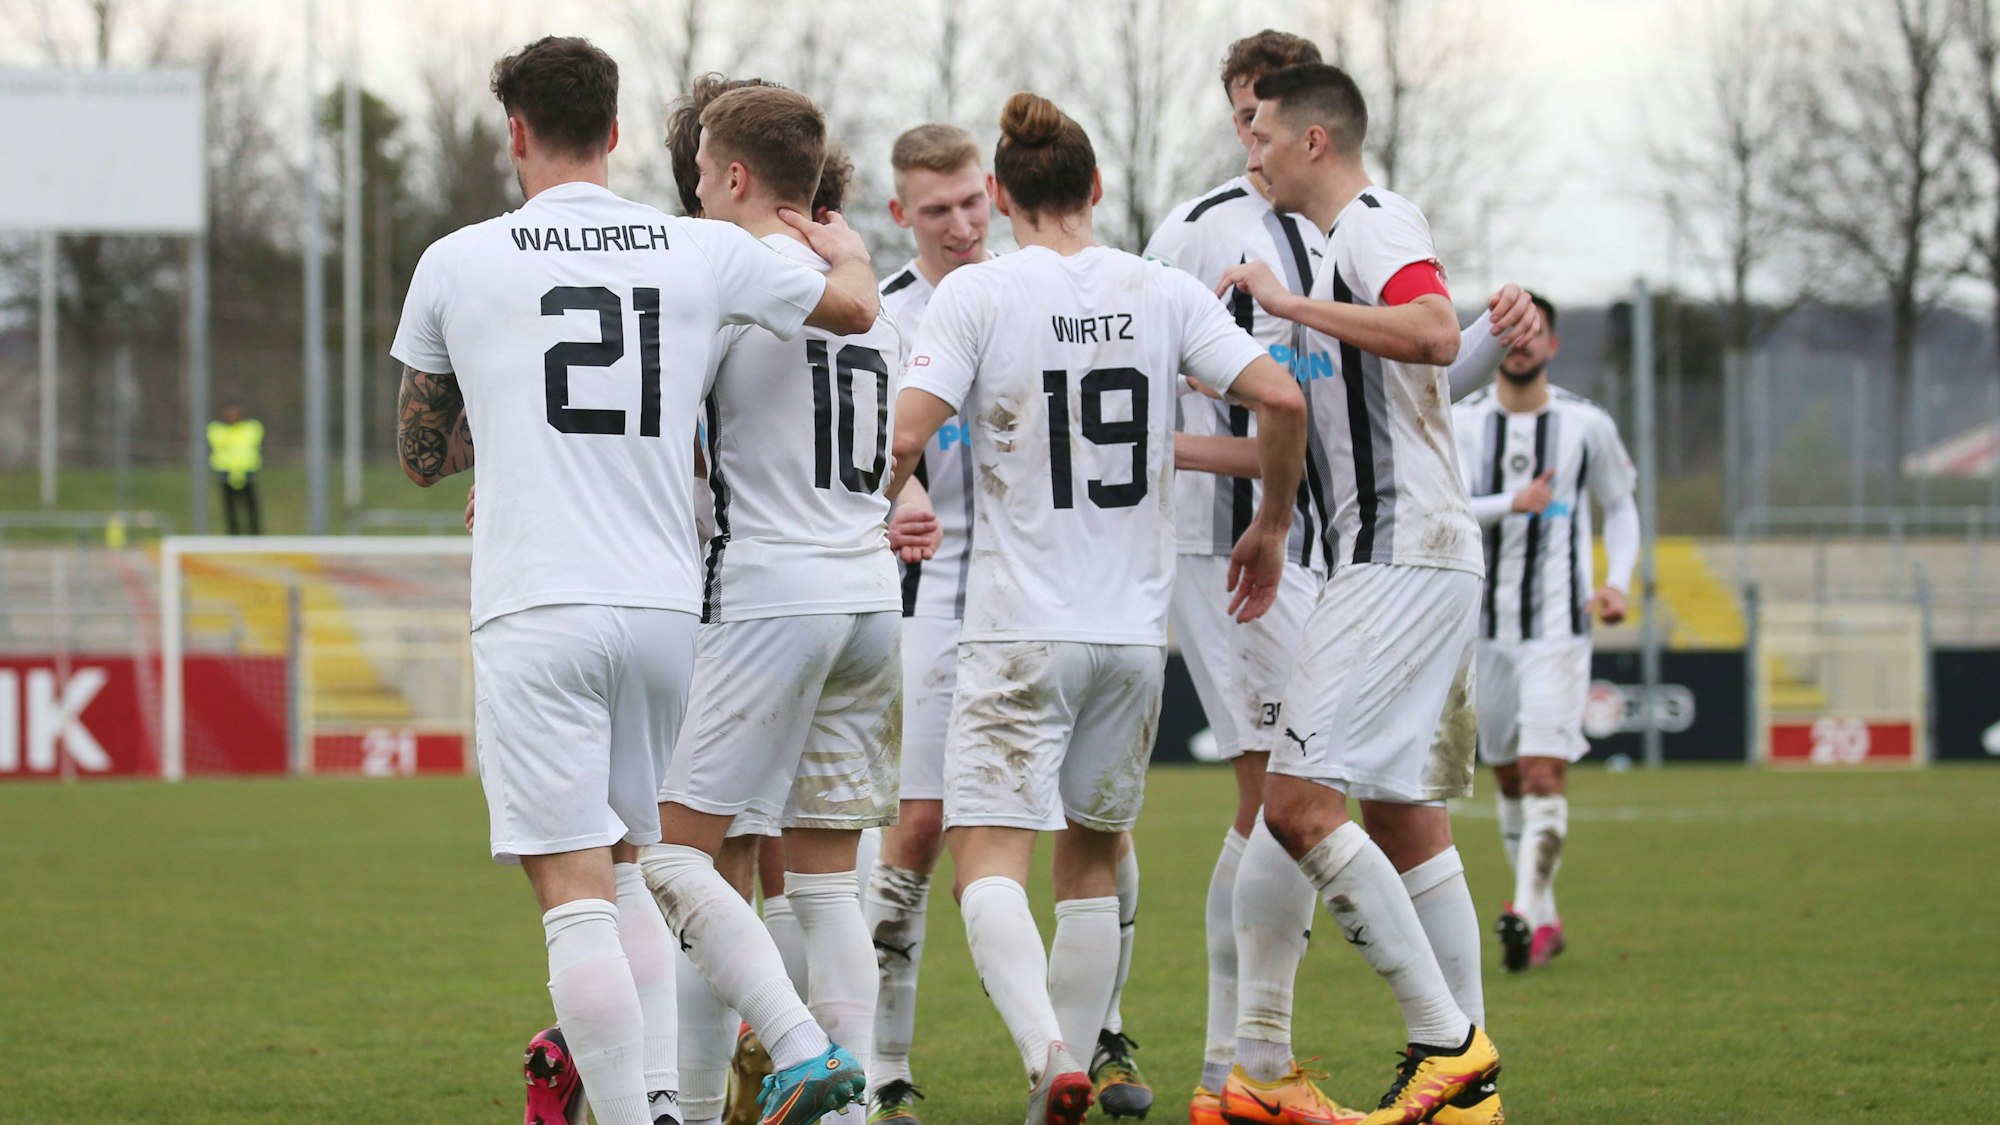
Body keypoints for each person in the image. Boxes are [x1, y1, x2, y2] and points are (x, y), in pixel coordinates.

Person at [391, 35, 879, 1125]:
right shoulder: (697, 250)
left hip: (538, 602)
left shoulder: (458, 259)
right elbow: (850, 312)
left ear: (515, 132)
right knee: (631, 868)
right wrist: (845, 253)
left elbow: (421, 454)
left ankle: (645, 1111)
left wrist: (502, 431)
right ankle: (674, 1097)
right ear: (615, 132)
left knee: (573, 893)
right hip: (662, 608)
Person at [890, 91, 1307, 1125]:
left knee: (983, 858)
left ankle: (1046, 1053)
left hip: (1016, 627)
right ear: (1097, 188)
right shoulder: (1159, 290)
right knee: (1088, 859)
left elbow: (901, 438)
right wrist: (1269, 524)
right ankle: (1064, 1077)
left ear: (996, 196)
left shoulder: (977, 296)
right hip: (1131, 636)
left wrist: (865, 495)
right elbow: (1283, 402)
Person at [1217, 62, 1501, 1125]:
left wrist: (1290, 305)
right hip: (1385, 555)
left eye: (1261, 134)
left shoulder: (1373, 220)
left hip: (1402, 552)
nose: (1249, 152)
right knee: (1338, 812)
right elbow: (1412, 376)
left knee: (1292, 805)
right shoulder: (1341, 249)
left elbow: (1430, 330)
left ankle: (1449, 1049)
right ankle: (1261, 1068)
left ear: (1314, 144)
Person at [653, 82, 905, 1125]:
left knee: (672, 856)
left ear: (737, 176)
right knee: (824, 884)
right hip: (867, 599)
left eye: (706, 174)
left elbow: (662, 433)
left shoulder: (729, 266)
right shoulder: (852, 279)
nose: (698, 193)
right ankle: (850, 1108)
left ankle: (766, 1065)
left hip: (769, 596)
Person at [862, 120, 993, 1125]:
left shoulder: (1039, 294)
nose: (957, 225)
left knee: (1092, 824)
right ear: (902, 214)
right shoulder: (878, 318)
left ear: (992, 193)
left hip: (1051, 596)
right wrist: (889, 495)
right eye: (934, 210)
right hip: (932, 597)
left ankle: (1101, 1045)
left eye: (970, 203)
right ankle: (885, 1066)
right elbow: (841, 455)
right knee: (918, 828)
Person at [1451, 293, 1638, 973]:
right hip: (1484, 630)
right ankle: (1545, 915)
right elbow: (1443, 507)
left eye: (1534, 334)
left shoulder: (1586, 425)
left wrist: (1617, 578)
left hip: (1560, 627)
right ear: (1497, 343)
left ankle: (1524, 911)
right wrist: (1513, 502)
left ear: (1552, 345)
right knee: (1507, 776)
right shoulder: (1465, 423)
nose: (1523, 345)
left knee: (1542, 770)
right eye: (1511, 334)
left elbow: (1620, 508)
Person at [207, 404, 263, 535]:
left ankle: (255, 537)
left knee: (251, 508)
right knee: (230, 509)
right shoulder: (218, 429)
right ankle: (233, 537)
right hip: (226, 472)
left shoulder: (251, 428)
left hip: (247, 471)